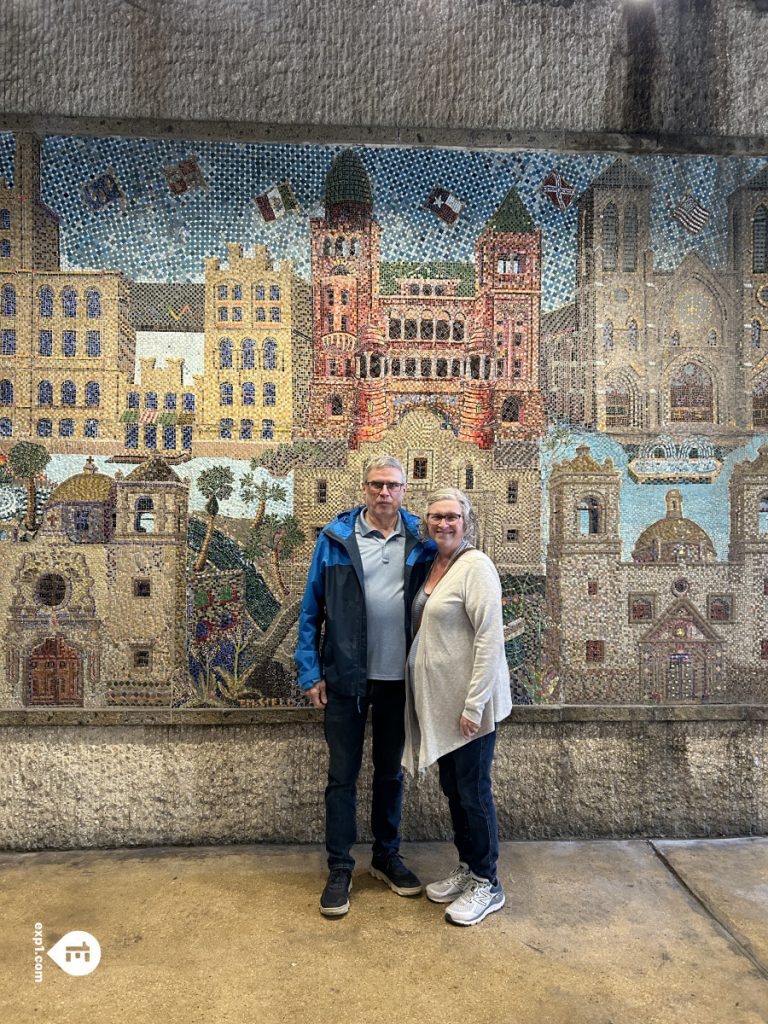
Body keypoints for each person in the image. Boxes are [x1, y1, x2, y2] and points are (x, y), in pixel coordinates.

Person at [296, 455, 435, 917]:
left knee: (391, 773)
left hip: (400, 680)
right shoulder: (335, 540)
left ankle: (385, 856)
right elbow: (310, 611)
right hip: (345, 679)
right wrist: (310, 670)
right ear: (364, 488)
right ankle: (340, 865)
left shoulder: (422, 540)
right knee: (342, 776)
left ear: (404, 491)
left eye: (392, 485)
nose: (384, 493)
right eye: (376, 485)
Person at [404, 486, 512, 926]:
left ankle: (489, 882)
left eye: (451, 516)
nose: (443, 523)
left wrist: (474, 704)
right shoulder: (435, 565)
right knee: (454, 789)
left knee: (473, 792)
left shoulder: (476, 567)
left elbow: (490, 638)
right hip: (442, 704)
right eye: (435, 517)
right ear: (426, 523)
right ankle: (468, 869)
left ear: (466, 522)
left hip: (470, 707)